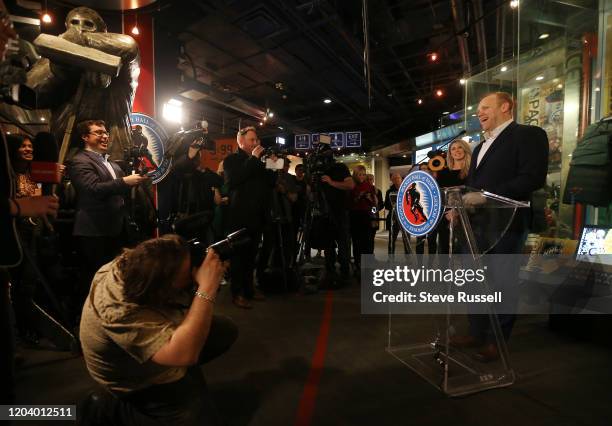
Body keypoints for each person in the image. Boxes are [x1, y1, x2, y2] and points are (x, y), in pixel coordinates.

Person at [79, 234, 237, 426]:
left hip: (148, 343)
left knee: (224, 331)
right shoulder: (120, 312)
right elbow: (184, 355)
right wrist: (207, 286)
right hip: (130, 379)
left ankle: (179, 371)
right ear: (162, 290)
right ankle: (109, 407)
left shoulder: (137, 263)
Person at [451, 92, 548, 361]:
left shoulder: (529, 134)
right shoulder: (480, 146)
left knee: (503, 283)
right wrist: (461, 204)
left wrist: (486, 196)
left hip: (507, 224)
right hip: (476, 224)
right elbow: (473, 186)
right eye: (477, 109)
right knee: (474, 282)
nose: (478, 113)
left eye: (485, 107)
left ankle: (497, 340)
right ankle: (476, 332)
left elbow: (532, 177)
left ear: (505, 107)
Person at [68, 120, 149, 300]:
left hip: (116, 229)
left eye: (106, 133)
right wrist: (124, 182)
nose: (105, 136)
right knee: (95, 279)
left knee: (115, 277)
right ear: (85, 137)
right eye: (98, 133)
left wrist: (136, 179)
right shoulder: (79, 161)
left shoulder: (112, 164)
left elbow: (117, 190)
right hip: (94, 231)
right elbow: (92, 189)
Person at [223, 126, 275, 308]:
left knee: (252, 256)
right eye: (252, 140)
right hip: (239, 217)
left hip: (258, 216)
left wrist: (273, 166)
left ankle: (249, 289)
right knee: (238, 258)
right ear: (241, 141)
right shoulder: (231, 160)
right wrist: (253, 158)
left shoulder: (259, 162)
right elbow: (234, 180)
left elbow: (271, 183)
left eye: (257, 140)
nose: (256, 143)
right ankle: (237, 293)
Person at [320, 146, 355, 285]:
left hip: (340, 211)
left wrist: (331, 182)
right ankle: (330, 271)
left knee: (343, 244)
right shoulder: (319, 170)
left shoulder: (340, 167)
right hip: (324, 212)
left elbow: (351, 185)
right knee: (328, 245)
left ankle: (345, 272)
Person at [436, 139, 472, 253]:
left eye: (460, 147)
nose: (457, 150)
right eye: (453, 148)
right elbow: (440, 197)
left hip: (468, 216)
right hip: (445, 217)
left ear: (465, 150)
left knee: (465, 254)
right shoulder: (443, 173)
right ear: (450, 153)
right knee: (444, 253)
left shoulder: (473, 171)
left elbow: (473, 194)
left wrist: (457, 211)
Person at [349, 166, 377, 272]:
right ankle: (358, 264)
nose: (361, 176)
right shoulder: (352, 186)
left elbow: (374, 203)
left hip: (368, 216)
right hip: (355, 216)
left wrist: (374, 216)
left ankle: (368, 266)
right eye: (359, 174)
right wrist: (358, 197)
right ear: (355, 175)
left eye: (363, 174)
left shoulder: (369, 186)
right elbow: (348, 203)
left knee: (368, 242)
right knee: (357, 242)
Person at [384, 172, 408, 254]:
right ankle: (390, 258)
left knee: (406, 240)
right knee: (392, 239)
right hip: (394, 218)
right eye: (394, 179)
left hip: (405, 218)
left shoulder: (407, 189)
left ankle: (408, 259)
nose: (397, 180)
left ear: (401, 179)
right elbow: (386, 205)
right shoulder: (389, 191)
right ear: (392, 181)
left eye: (398, 178)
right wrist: (395, 205)